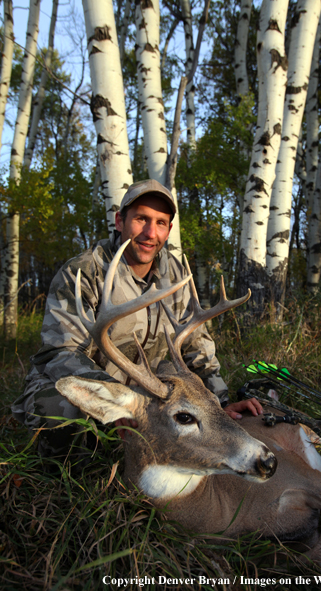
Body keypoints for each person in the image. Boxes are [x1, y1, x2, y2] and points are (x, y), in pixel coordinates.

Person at [12, 179, 262, 457]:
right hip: (93, 386)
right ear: (120, 221)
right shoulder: (84, 271)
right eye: (141, 219)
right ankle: (70, 479)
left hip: (148, 392)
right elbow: (61, 353)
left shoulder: (176, 275)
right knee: (60, 412)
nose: (150, 233)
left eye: (161, 222)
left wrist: (219, 404)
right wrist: (117, 401)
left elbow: (196, 347)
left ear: (168, 229)